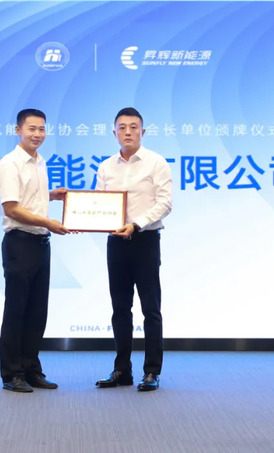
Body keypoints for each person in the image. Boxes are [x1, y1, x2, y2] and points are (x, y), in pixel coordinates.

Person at [94, 107, 173, 391]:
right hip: (116, 243)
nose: (128, 132)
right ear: (114, 132)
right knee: (120, 308)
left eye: (133, 127)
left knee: (151, 309)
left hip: (145, 240)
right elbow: (99, 204)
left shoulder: (156, 162)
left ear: (143, 131)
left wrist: (136, 224)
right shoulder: (106, 166)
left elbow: (165, 203)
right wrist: (84, 219)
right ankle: (122, 370)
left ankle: (151, 371)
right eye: (122, 127)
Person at [0, 108, 69, 393]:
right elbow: (12, 208)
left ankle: (31, 369)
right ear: (18, 131)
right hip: (20, 243)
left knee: (37, 311)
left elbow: (29, 198)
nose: (37, 134)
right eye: (31, 129)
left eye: (41, 129)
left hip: (40, 243)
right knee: (17, 310)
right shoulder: (10, 163)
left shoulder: (40, 162)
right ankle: (12, 373)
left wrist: (52, 196)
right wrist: (49, 222)